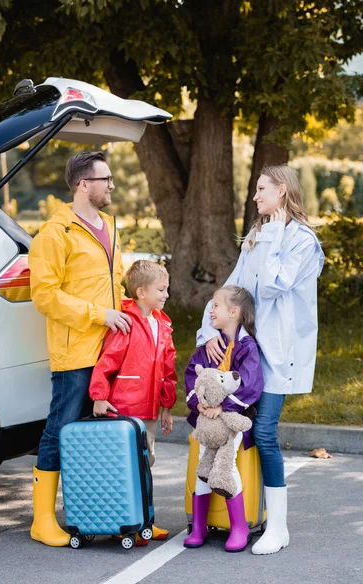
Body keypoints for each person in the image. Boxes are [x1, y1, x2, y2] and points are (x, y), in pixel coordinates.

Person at [197, 164, 324, 555]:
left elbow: (272, 285)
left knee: (264, 433)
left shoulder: (303, 241)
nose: (255, 197)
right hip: (246, 354)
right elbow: (234, 289)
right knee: (236, 432)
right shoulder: (257, 235)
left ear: (282, 191)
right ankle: (241, 517)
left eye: (261, 189)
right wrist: (209, 330)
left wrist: (271, 234)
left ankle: (279, 528)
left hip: (279, 355)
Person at [29, 151, 131, 547]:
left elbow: (115, 284)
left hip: (109, 350)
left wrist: (127, 321)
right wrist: (98, 315)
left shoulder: (108, 225)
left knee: (99, 435)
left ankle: (101, 512)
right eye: (106, 179)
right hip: (75, 352)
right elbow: (45, 296)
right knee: (60, 429)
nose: (111, 186)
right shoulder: (55, 234)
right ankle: (42, 521)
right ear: (84, 184)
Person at [89, 260, 177, 543]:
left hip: (149, 410)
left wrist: (167, 406)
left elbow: (168, 369)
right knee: (124, 466)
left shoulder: (162, 325)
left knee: (145, 464)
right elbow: (106, 363)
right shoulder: (125, 322)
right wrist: (99, 396)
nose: (166, 295)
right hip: (125, 409)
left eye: (167, 289)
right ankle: (125, 523)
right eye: (161, 289)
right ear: (141, 292)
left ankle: (143, 523)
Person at [183, 285, 264, 552]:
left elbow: (251, 386)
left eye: (215, 305)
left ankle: (239, 526)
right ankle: (198, 526)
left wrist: (224, 407)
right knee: (202, 469)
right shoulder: (210, 346)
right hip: (206, 422)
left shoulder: (247, 347)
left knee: (227, 468)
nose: (211, 310)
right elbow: (193, 378)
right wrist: (200, 405)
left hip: (232, 423)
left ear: (234, 312)